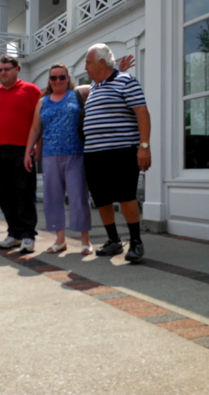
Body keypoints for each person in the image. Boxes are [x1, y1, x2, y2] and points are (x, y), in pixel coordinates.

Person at [81, 44, 151, 262]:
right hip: (94, 154)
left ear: (102, 63)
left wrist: (144, 146)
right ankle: (113, 241)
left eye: (88, 62)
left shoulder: (127, 81)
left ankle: (136, 242)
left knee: (126, 196)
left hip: (121, 151)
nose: (85, 67)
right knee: (101, 199)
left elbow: (142, 113)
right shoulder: (94, 86)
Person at [24, 63, 93, 255]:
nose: (58, 81)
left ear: (68, 78)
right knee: (53, 198)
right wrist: (28, 151)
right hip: (50, 156)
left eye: (62, 77)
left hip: (75, 153)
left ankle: (85, 240)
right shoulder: (42, 101)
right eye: (53, 78)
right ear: (49, 80)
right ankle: (60, 239)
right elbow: (36, 128)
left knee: (79, 196)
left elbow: (102, 83)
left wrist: (117, 70)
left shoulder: (78, 94)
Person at [0, 55, 42, 253]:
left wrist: (37, 145)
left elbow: (41, 118)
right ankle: (14, 233)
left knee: (25, 193)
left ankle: (27, 235)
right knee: (4, 194)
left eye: (7, 69)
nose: (3, 73)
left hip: (22, 150)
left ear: (17, 69)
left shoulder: (31, 90)